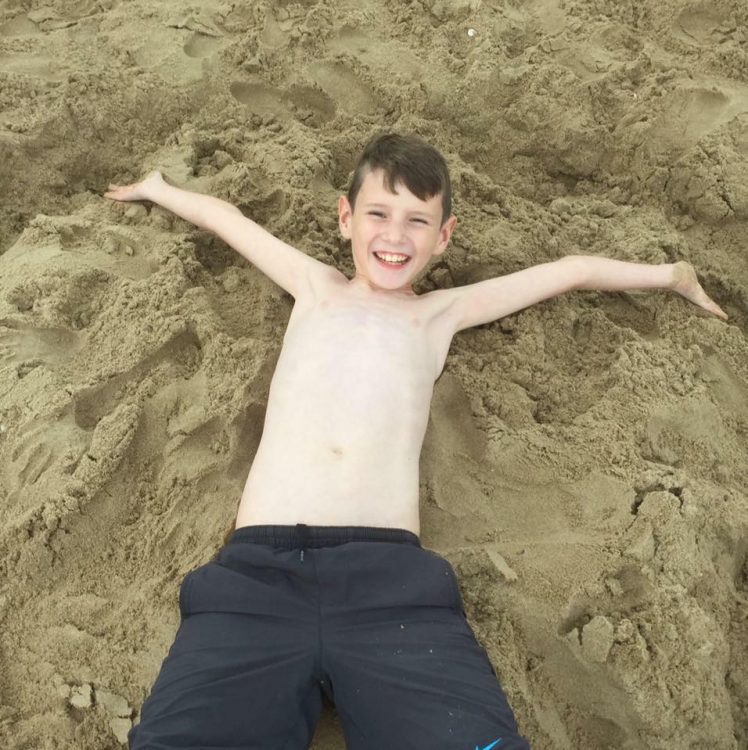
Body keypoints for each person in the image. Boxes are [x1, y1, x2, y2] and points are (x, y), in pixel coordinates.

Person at [105, 133, 726, 750]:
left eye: (417, 222)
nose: (395, 236)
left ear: (444, 236)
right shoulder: (313, 285)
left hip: (390, 586)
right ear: (346, 218)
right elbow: (229, 220)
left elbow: (568, 273)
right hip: (255, 579)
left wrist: (672, 276)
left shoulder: (440, 315)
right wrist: (157, 190)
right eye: (378, 213)